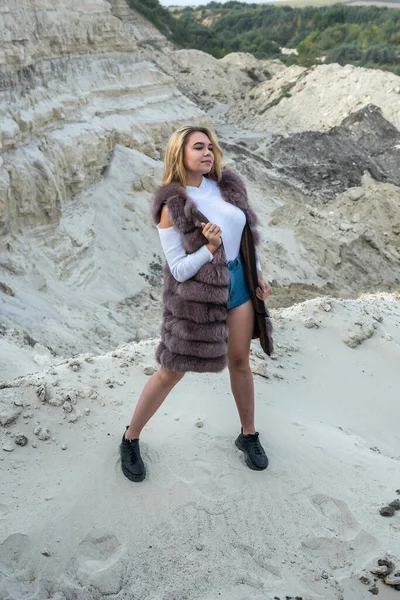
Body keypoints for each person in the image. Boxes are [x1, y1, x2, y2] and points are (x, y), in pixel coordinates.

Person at [120, 125, 273, 482]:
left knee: (239, 361)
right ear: (180, 155)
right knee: (172, 369)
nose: (208, 154)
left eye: (211, 148)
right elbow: (178, 269)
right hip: (197, 298)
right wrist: (209, 249)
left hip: (239, 286)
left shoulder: (227, 186)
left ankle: (248, 434)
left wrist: (258, 274)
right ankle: (130, 438)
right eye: (199, 148)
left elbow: (246, 235)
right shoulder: (172, 208)